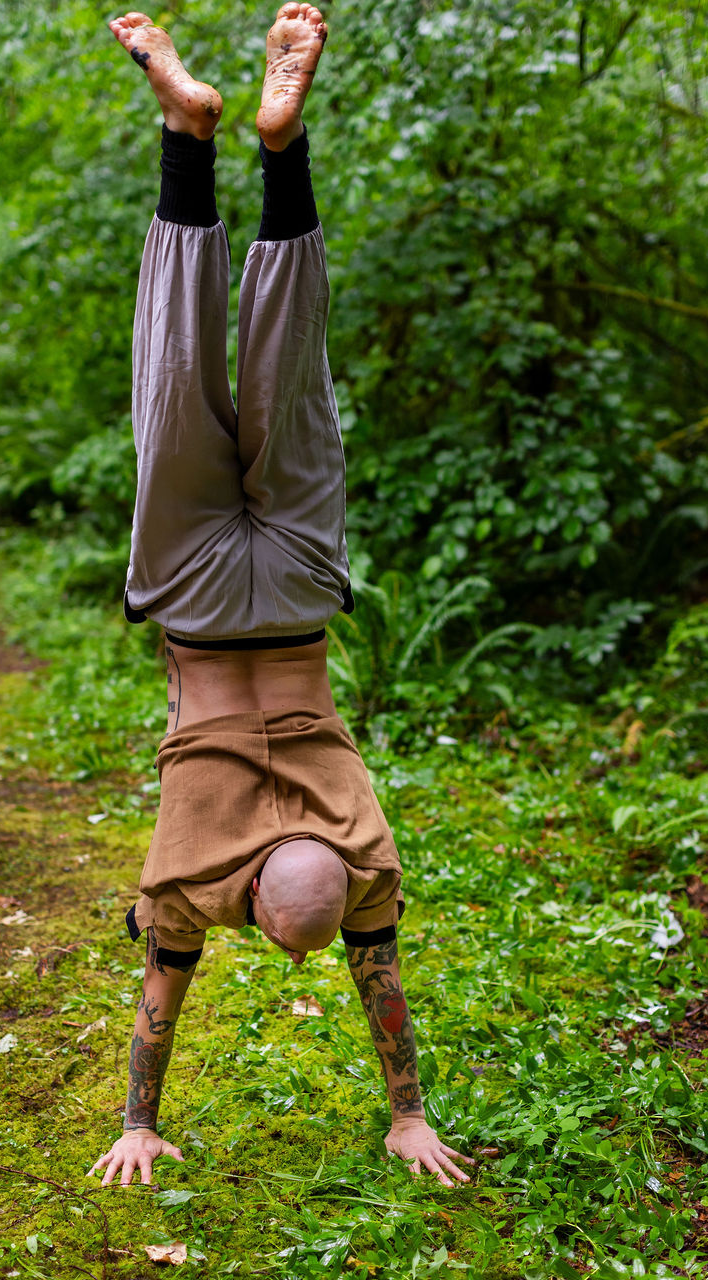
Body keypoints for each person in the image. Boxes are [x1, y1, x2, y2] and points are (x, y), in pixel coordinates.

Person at [89, 4, 471, 1191]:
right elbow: (164, 984)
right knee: (177, 376)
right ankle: (189, 138)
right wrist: (137, 1119)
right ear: (255, 898)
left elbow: (379, 969)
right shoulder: (197, 856)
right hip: (200, 596)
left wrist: (411, 1110)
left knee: (290, 373)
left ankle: (271, 143)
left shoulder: (351, 828)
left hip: (298, 588)